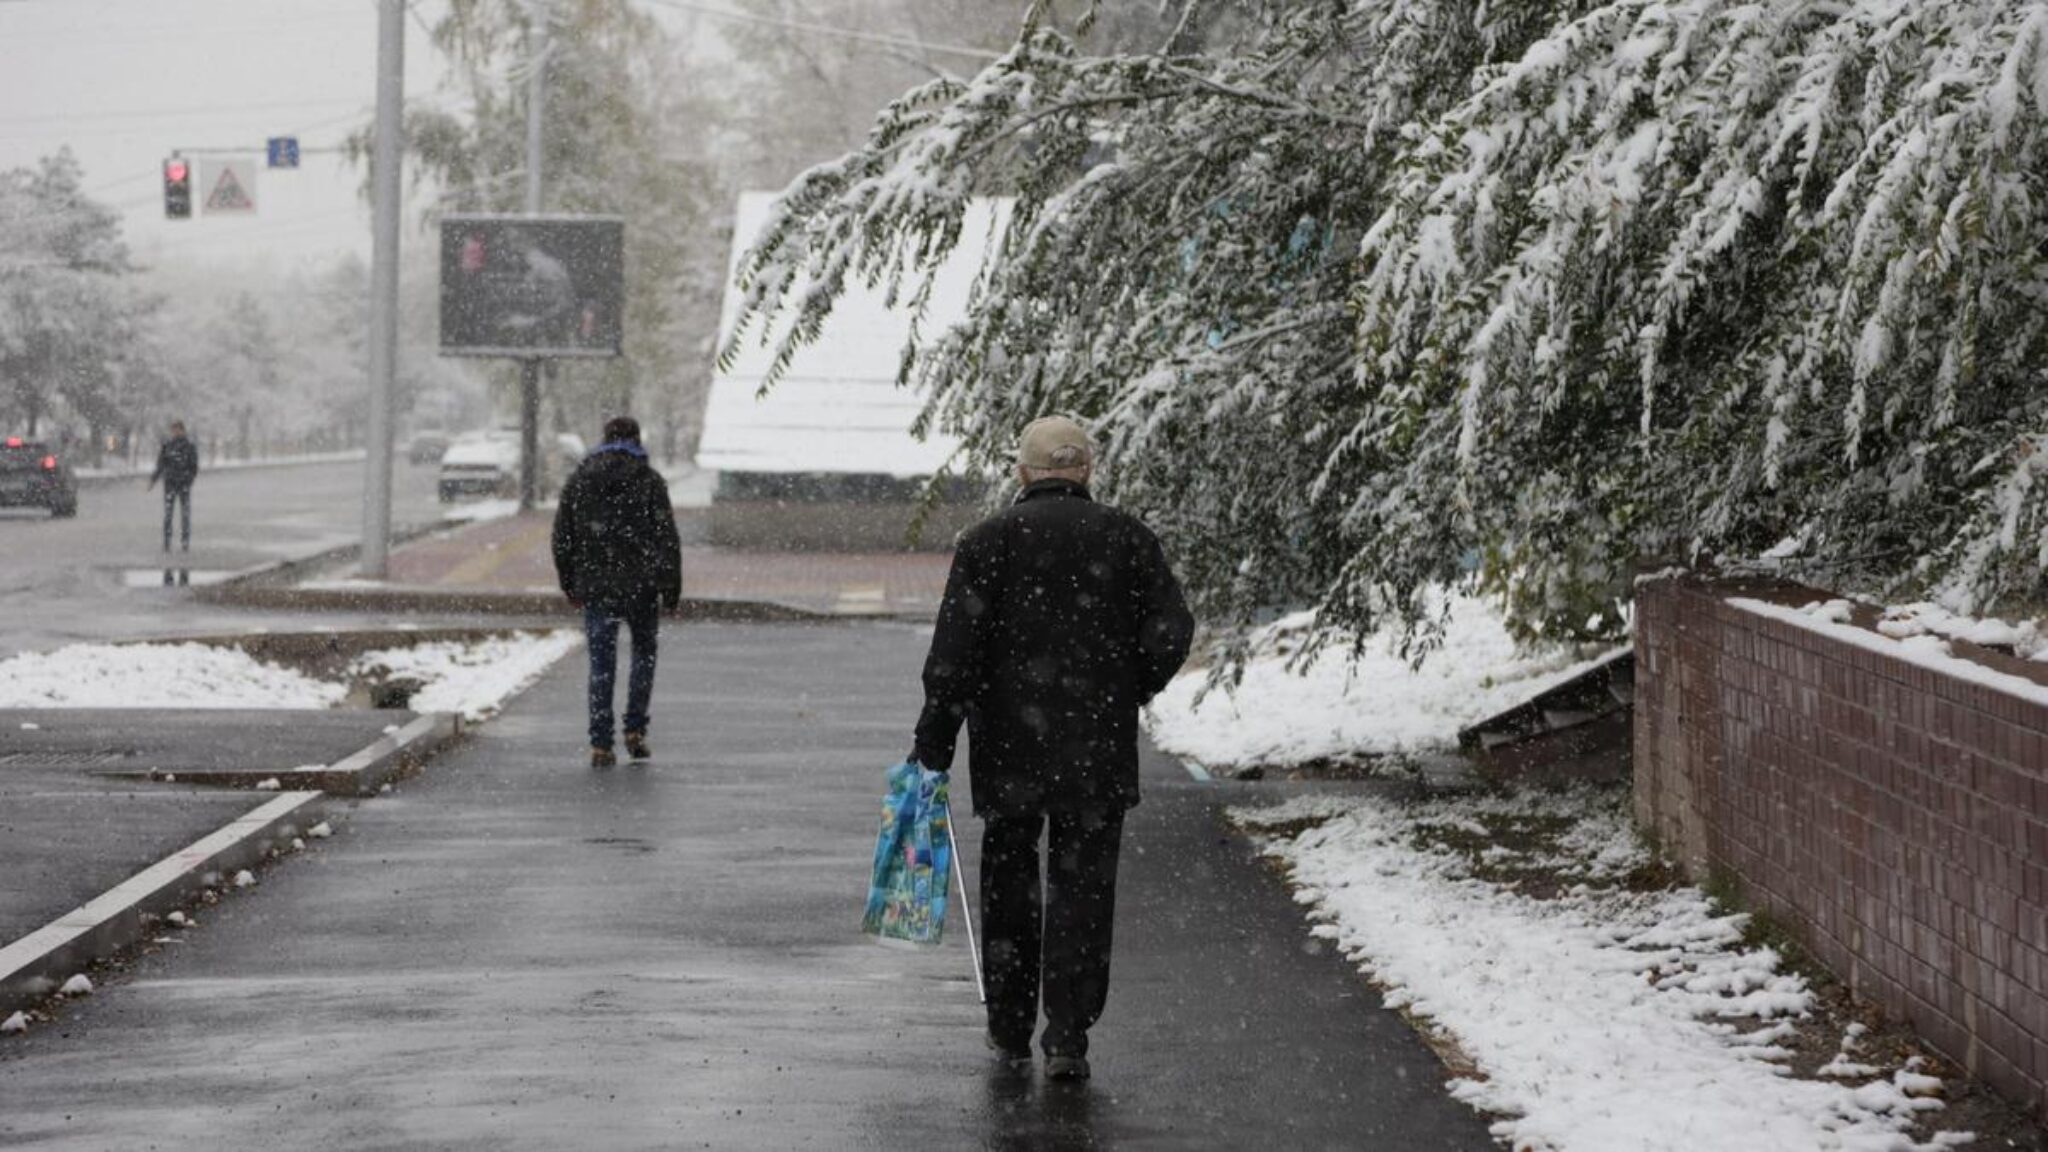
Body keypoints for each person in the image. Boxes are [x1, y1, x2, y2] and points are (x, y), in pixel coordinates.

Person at [910, 415, 1194, 1082]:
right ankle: (1067, 1035)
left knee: (1010, 880)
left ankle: (1008, 1029)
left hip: (1009, 747)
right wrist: (1128, 685)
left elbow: (953, 655)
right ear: (1087, 471)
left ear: (1021, 473)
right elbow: (1172, 628)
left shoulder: (988, 543)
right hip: (1097, 744)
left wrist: (934, 743)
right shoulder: (1125, 539)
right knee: (1084, 889)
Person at [551, 416, 682, 768]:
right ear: (637, 441)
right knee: (643, 655)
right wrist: (670, 589)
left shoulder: (580, 480)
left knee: (601, 664)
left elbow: (562, 537)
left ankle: (600, 743)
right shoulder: (650, 481)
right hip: (641, 585)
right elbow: (667, 538)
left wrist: (570, 583)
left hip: (597, 586)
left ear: (604, 439)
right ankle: (636, 729)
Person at [147, 420, 199, 552]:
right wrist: (153, 480)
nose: (175, 432)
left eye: (177, 430)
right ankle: (167, 541)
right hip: (170, 483)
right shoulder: (168, 446)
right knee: (168, 514)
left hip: (183, 484)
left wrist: (188, 480)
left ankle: (185, 541)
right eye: (173, 430)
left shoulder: (189, 446)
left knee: (185, 514)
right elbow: (161, 464)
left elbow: (194, 467)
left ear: (182, 430)